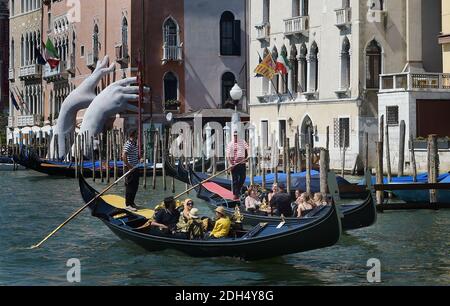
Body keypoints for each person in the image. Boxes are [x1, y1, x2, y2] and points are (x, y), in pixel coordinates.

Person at [226, 130, 249, 200]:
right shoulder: (230, 144)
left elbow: (248, 148)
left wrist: (248, 156)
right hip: (234, 165)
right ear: (233, 136)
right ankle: (235, 194)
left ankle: (237, 191)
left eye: (237, 135)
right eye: (234, 135)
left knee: (243, 178)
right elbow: (227, 155)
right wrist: (230, 164)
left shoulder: (242, 142)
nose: (235, 136)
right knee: (235, 180)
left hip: (241, 163)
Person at [122, 130, 140, 211]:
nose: (138, 136)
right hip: (130, 168)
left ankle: (132, 203)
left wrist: (140, 158)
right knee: (130, 186)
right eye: (137, 134)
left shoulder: (134, 144)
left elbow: (135, 155)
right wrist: (129, 167)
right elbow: (124, 156)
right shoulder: (128, 144)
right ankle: (128, 204)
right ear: (133, 135)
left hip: (135, 167)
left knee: (135, 186)